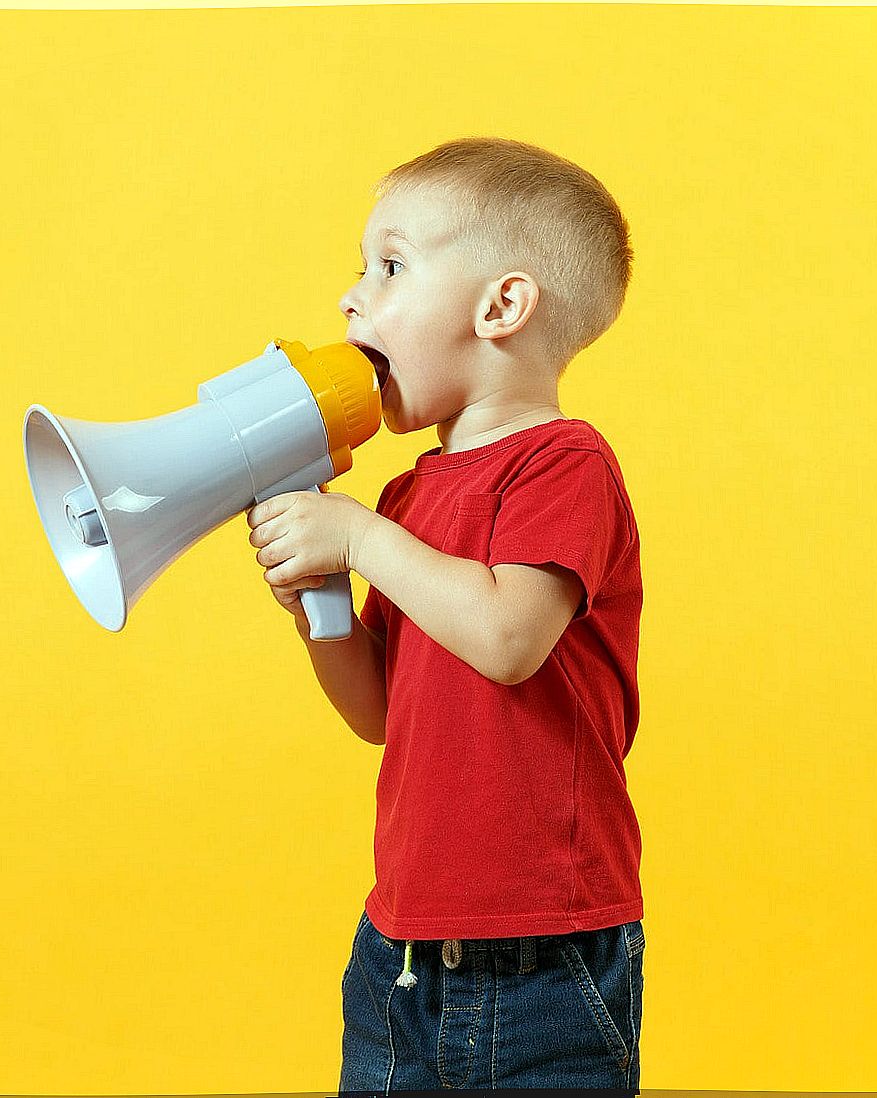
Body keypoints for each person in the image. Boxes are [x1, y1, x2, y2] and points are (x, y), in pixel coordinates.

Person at [244, 136, 645, 1092]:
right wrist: (317, 603)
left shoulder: (563, 466)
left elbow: (509, 639)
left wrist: (364, 543)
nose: (351, 298)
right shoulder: (407, 501)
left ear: (500, 307)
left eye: (390, 266)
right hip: (403, 945)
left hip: (544, 953)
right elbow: (380, 713)